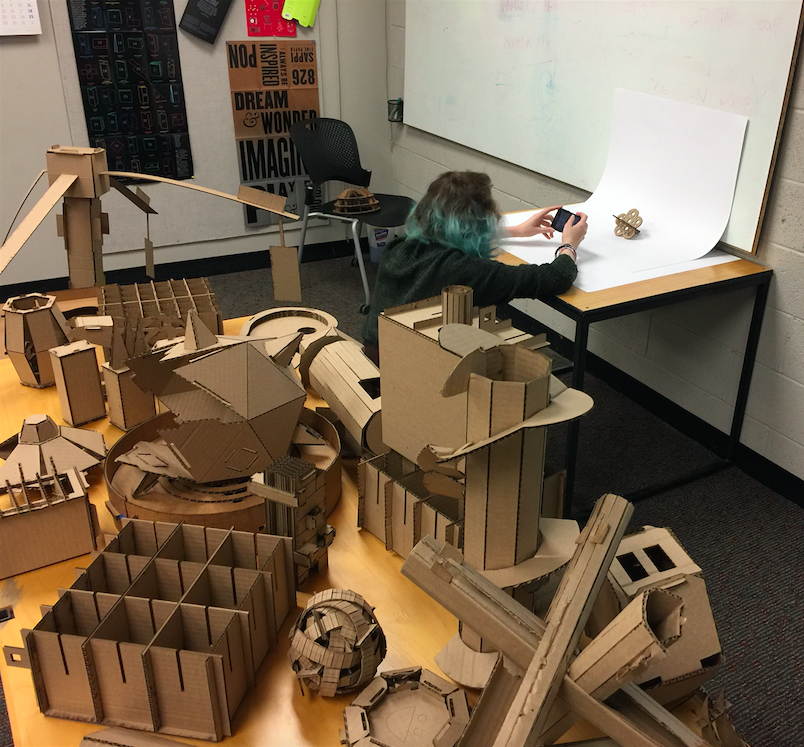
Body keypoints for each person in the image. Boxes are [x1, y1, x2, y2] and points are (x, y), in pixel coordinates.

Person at [361, 170, 587, 362]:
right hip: (411, 369)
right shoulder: (466, 271)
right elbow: (556, 277)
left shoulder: (398, 248)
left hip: (374, 355)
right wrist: (569, 244)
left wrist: (516, 230)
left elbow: (446, 236)